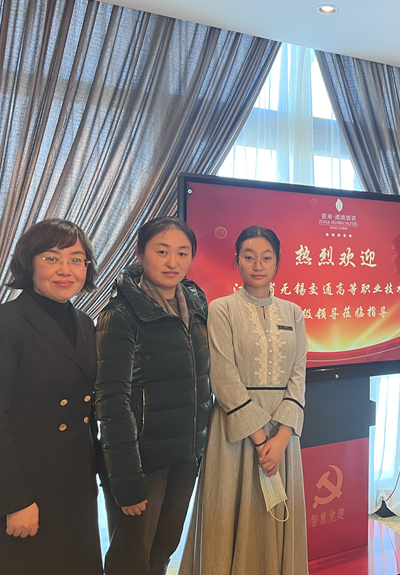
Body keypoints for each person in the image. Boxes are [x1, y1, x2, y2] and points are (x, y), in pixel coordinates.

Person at [0, 219, 102, 575]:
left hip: (74, 485)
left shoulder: (85, 323)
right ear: (29, 263)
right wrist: (14, 500)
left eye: (76, 259)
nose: (65, 270)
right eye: (51, 258)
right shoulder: (0, 325)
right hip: (23, 487)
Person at [180, 225, 308, 575]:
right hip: (234, 434)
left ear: (278, 262)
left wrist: (282, 436)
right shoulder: (221, 309)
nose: (258, 265)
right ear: (237, 261)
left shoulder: (294, 313)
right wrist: (261, 439)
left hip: (282, 435)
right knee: (227, 518)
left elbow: (298, 375)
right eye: (249, 257)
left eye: (266, 258)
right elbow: (222, 376)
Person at [95, 217, 212, 575]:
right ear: (139, 253)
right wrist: (126, 478)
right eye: (162, 252)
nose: (172, 262)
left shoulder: (196, 305)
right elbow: (111, 400)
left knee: (163, 550)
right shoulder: (120, 314)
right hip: (142, 460)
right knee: (131, 558)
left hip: (185, 455)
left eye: (182, 252)